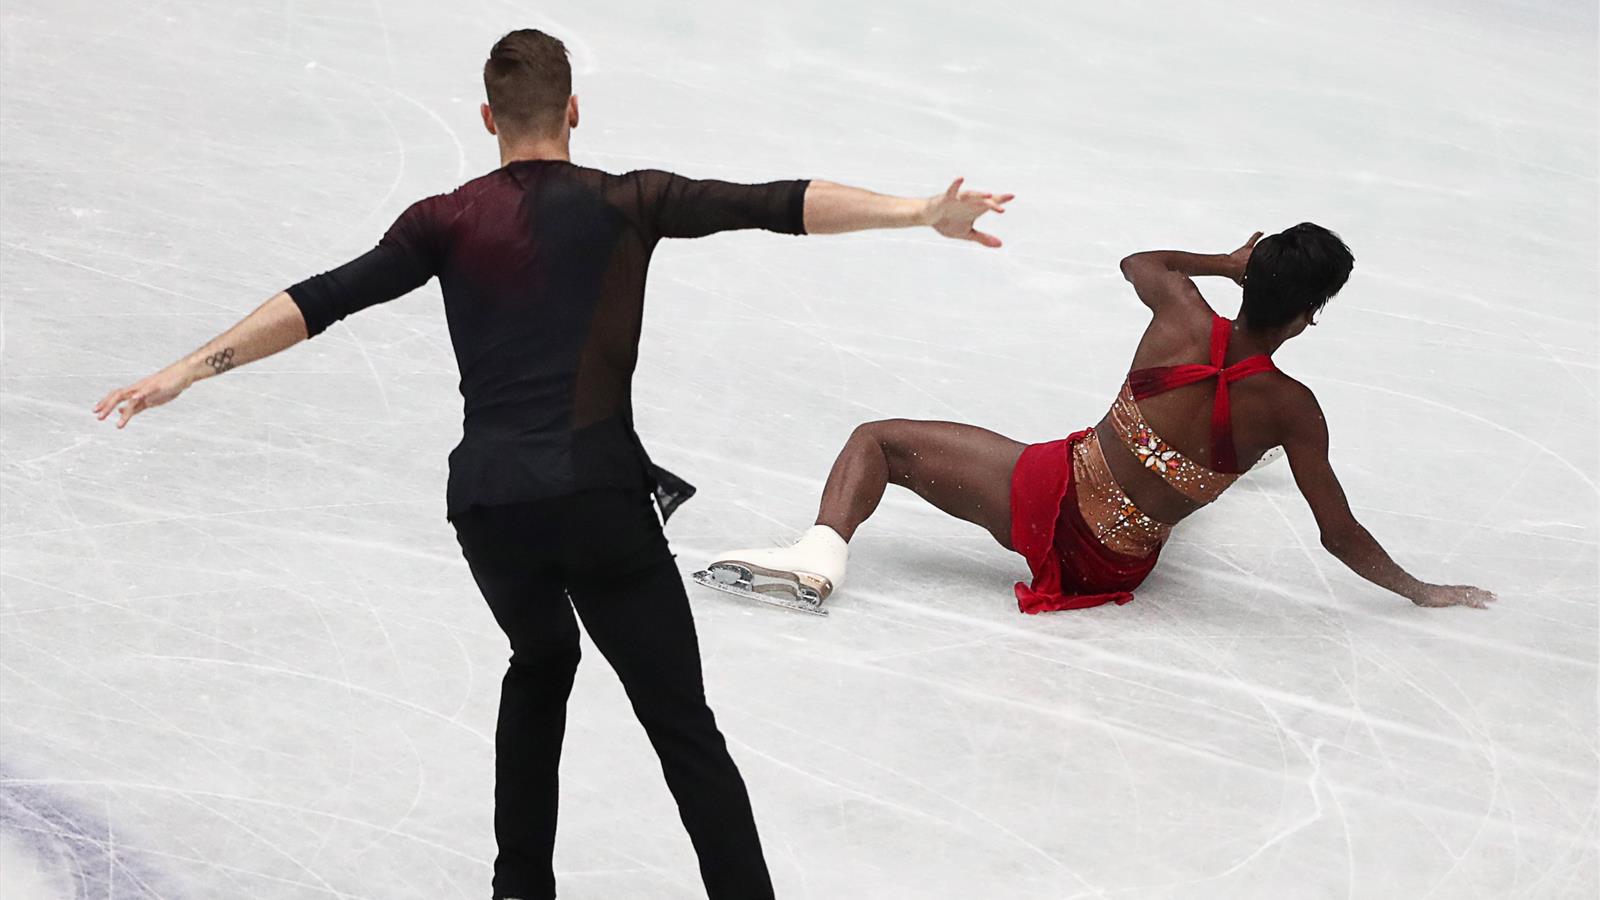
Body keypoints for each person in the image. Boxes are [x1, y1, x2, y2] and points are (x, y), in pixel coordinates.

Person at [92, 28, 1013, 900]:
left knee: (540, 662)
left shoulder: (443, 220)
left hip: (489, 508)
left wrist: (187, 370)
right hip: (598, 501)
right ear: (574, 111)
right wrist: (919, 211)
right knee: (680, 724)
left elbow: (319, 300)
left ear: (487, 117)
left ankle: (518, 888)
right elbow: (777, 204)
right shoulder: (630, 200)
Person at [702, 225, 1498, 615]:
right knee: (1222, 461)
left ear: (1252, 280)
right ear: (1309, 316)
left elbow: (1139, 263)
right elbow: (1338, 533)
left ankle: (819, 557)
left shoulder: (1181, 314)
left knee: (878, 441)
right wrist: (1418, 590)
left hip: (1044, 501)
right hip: (1117, 566)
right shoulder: (1292, 412)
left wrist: (1223, 264)